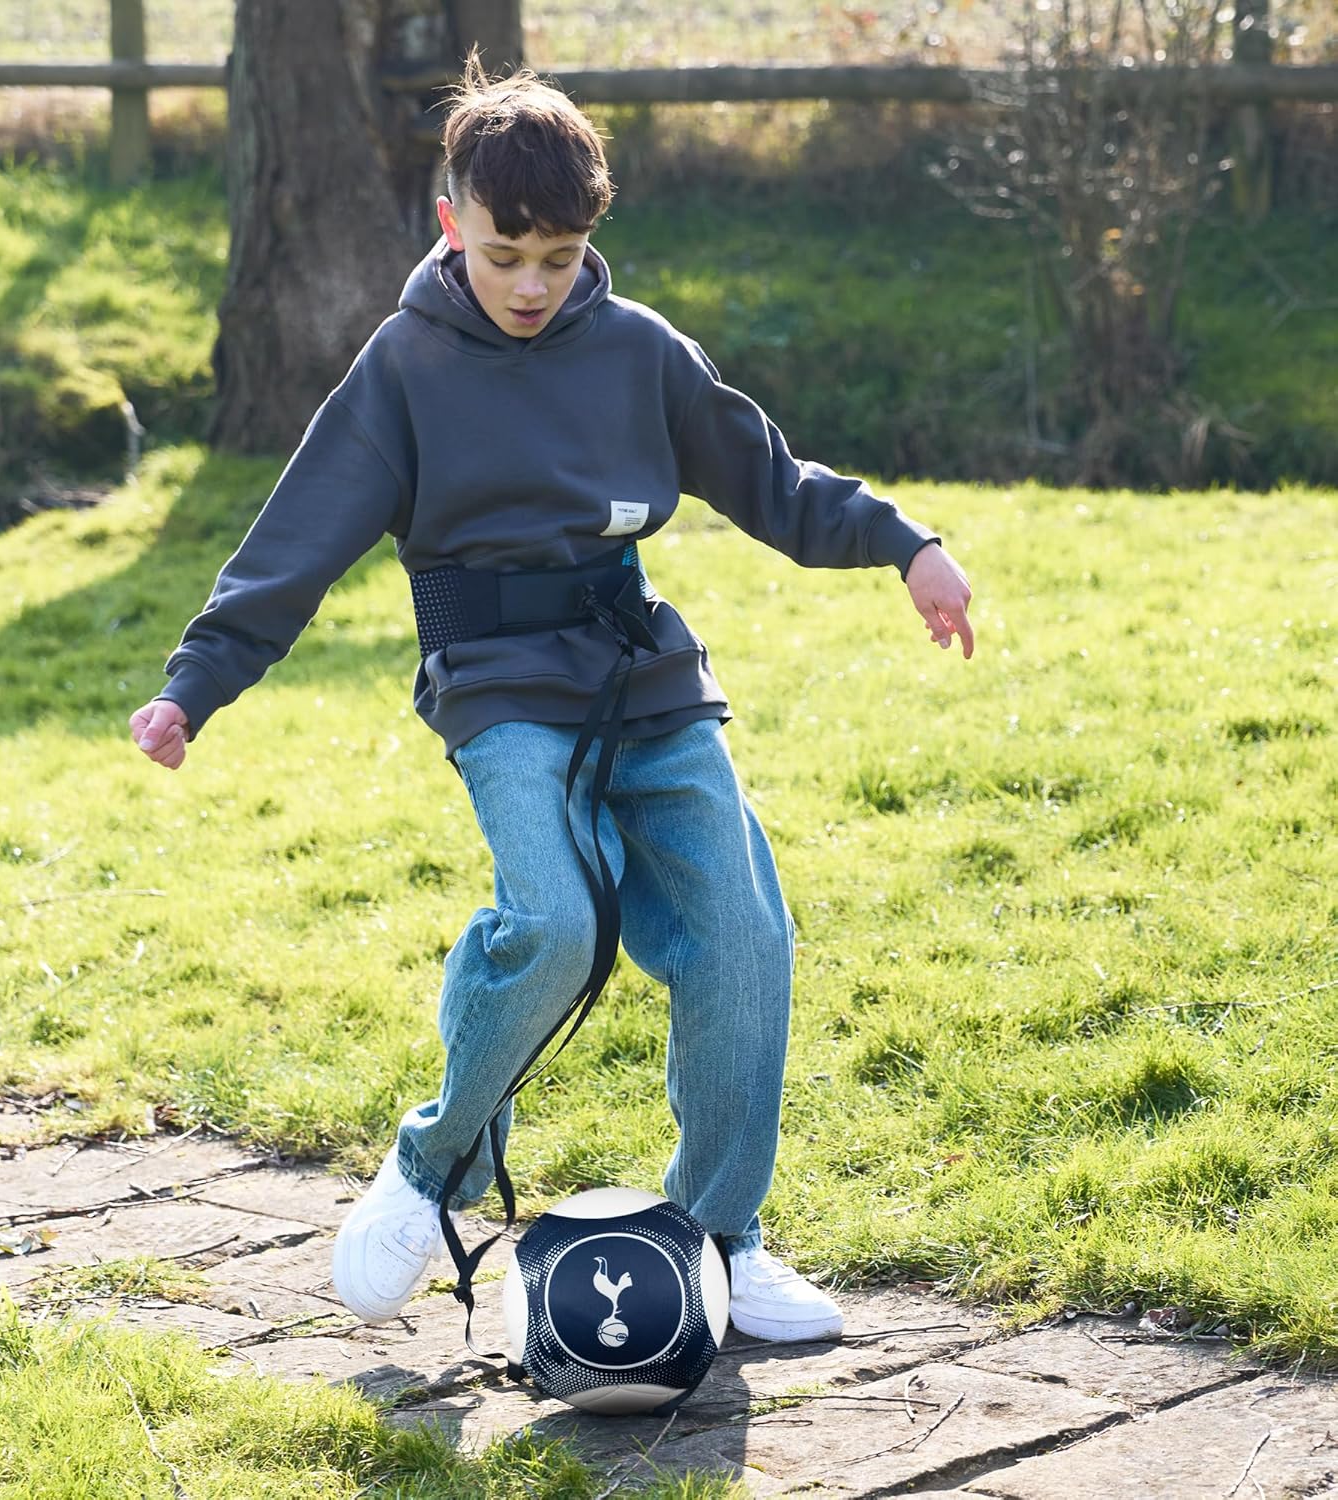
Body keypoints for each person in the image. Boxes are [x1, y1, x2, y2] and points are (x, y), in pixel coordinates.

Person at [129, 55, 973, 1345]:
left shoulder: (638, 350)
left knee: (744, 935)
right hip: (497, 680)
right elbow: (296, 541)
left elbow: (772, 480)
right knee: (559, 921)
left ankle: (722, 1240)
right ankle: (434, 1163)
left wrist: (906, 546)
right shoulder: (405, 366)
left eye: (561, 258)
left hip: (642, 673)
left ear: (592, 238)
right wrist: (197, 685)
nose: (532, 285)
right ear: (450, 221)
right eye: (505, 255)